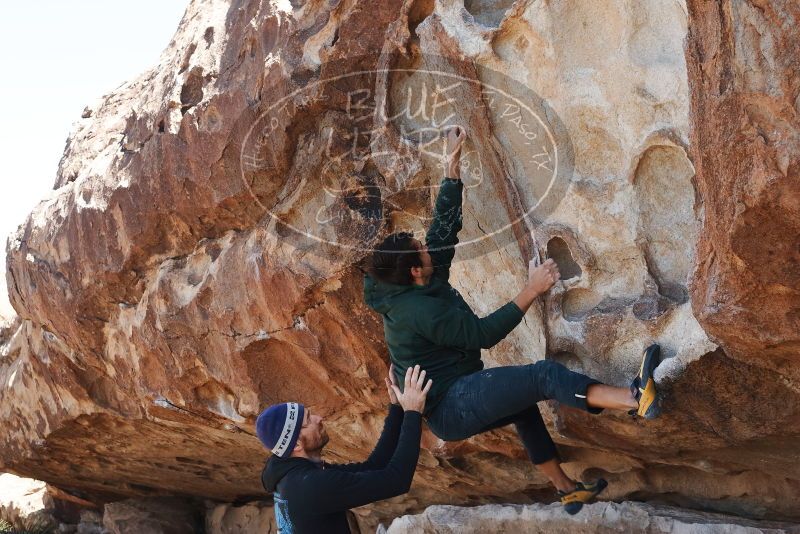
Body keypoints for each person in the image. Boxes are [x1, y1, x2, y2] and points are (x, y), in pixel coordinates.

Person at [363, 125, 662, 515]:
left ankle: (566, 490)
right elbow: (482, 335)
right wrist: (532, 289)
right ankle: (635, 398)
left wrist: (451, 163)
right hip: (451, 406)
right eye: (420, 252)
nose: (425, 248)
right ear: (415, 273)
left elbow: (442, 231)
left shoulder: (413, 280)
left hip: (455, 395)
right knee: (541, 377)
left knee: (522, 406)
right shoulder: (419, 310)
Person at [258, 365, 432, 533]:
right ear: (296, 445)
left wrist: (397, 408)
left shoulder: (291, 474)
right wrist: (413, 412)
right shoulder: (311, 486)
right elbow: (397, 481)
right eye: (308, 421)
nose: (319, 419)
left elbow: (374, 466)